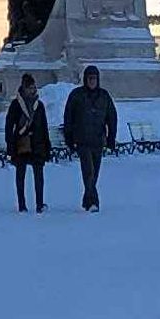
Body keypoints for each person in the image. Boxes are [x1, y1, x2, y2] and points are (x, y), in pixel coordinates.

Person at [63, 66, 119, 212]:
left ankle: (86, 200)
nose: (92, 81)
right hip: (82, 140)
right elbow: (68, 117)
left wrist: (111, 137)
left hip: (98, 140)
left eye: (94, 78)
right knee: (88, 172)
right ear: (85, 79)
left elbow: (111, 117)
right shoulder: (76, 95)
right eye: (90, 78)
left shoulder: (104, 96)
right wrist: (69, 137)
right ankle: (94, 201)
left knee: (95, 173)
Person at [4, 74, 52, 214]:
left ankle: (39, 203)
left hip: (37, 144)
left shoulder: (39, 105)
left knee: (39, 175)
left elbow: (44, 127)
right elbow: (9, 126)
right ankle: (22, 204)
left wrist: (47, 146)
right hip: (21, 144)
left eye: (34, 87)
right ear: (24, 88)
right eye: (30, 87)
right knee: (20, 174)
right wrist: (10, 146)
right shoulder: (15, 105)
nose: (33, 90)